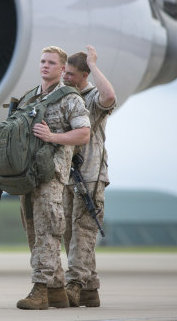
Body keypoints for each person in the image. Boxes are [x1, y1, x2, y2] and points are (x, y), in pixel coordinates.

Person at [15, 46, 91, 310]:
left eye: (51, 63)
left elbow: (83, 134)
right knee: (33, 232)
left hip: (52, 175)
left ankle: (40, 289)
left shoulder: (71, 98)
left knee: (48, 230)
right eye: (42, 61)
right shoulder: (28, 98)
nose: (45, 66)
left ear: (62, 69)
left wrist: (53, 137)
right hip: (26, 176)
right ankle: (58, 289)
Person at [61, 45, 116, 307]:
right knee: (70, 234)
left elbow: (109, 96)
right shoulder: (64, 96)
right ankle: (90, 289)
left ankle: (73, 285)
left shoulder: (92, 96)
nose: (66, 77)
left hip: (90, 175)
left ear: (84, 76)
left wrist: (94, 65)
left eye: (71, 74)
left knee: (83, 231)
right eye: (65, 72)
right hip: (67, 175)